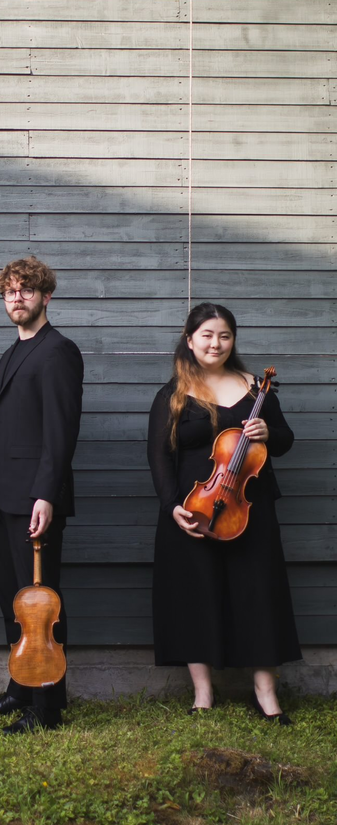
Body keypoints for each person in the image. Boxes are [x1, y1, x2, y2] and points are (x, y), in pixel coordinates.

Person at [147, 302, 301, 721]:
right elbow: (160, 456)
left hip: (251, 508)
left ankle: (266, 696)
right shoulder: (174, 393)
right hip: (195, 508)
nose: (216, 343)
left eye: (225, 336)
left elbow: (285, 440)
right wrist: (171, 507)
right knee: (196, 596)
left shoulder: (257, 388)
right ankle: (202, 695)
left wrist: (269, 431)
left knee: (258, 595)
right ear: (190, 339)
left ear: (233, 341)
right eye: (207, 335)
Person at [0, 256, 83, 733]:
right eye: (9, 291)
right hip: (5, 498)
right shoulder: (12, 352)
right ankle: (19, 691)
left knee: (41, 608)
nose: (16, 298)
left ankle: (47, 709)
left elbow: (60, 434)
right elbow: (3, 435)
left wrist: (46, 495)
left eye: (26, 290)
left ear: (46, 297)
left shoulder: (58, 351)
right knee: (11, 603)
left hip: (36, 501)